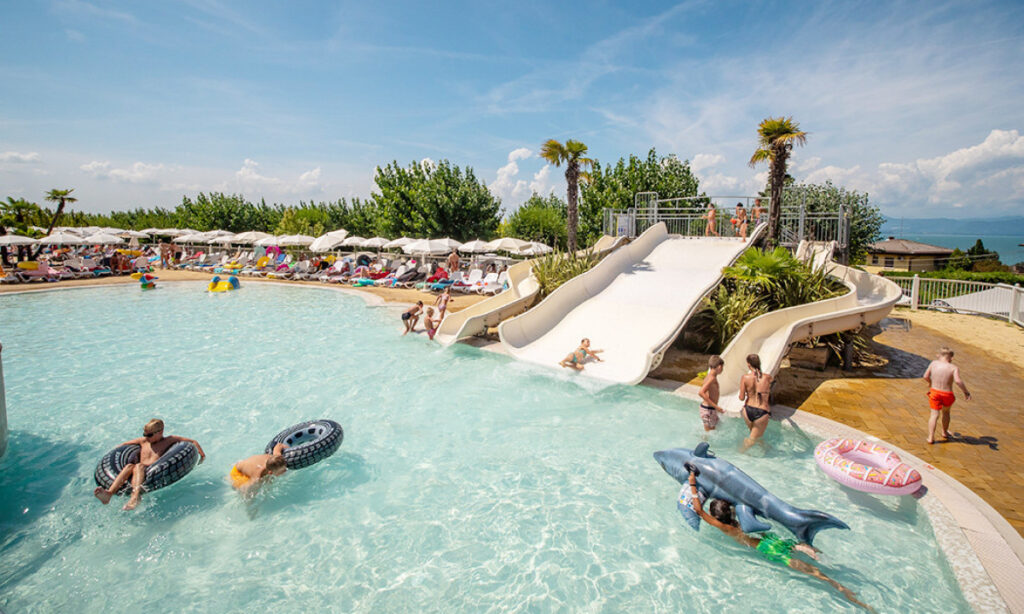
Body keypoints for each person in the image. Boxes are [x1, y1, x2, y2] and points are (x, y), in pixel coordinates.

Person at [684, 466, 872, 611]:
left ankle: (840, 588)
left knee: (812, 572)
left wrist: (692, 484)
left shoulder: (725, 527)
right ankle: (812, 552)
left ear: (715, 516)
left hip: (765, 547)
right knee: (798, 546)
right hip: (771, 537)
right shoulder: (739, 517)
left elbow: (699, 510)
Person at [93, 419, 206, 511]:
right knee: (129, 466)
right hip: (138, 469)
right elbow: (123, 445)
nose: (146, 437)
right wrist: (111, 455)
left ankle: (135, 496)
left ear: (160, 432)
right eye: (145, 434)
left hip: (153, 470)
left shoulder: (169, 440)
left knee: (138, 466)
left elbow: (192, 442)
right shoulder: (143, 441)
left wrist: (202, 454)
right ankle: (109, 494)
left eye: (150, 435)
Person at [923, 346, 972, 444]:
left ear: (938, 355)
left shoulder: (933, 364)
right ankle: (944, 432)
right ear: (951, 358)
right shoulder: (953, 368)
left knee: (934, 415)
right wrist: (966, 392)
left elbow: (925, 376)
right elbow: (958, 381)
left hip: (935, 393)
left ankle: (930, 437)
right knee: (946, 413)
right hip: (947, 394)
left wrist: (930, 383)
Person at [739, 354, 772, 452]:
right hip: (761, 412)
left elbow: (741, 398)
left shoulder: (745, 377)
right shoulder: (768, 377)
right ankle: (740, 453)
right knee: (752, 439)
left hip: (747, 410)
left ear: (749, 365)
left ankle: (765, 449)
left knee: (756, 435)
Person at [698, 355, 726, 432]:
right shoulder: (712, 378)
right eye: (722, 367)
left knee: (713, 431)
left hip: (709, 409)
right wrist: (716, 407)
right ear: (719, 367)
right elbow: (701, 392)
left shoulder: (710, 376)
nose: (722, 369)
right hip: (708, 410)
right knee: (709, 433)